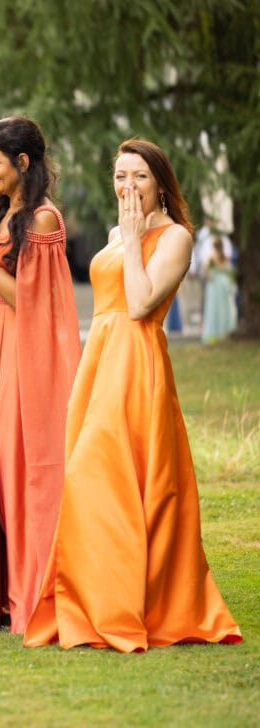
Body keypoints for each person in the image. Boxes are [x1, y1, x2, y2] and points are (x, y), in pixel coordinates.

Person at [24, 139, 242, 652]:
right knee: (88, 478)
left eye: (139, 176)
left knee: (122, 481)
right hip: (99, 360)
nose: (128, 186)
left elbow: (141, 303)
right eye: (121, 176)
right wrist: (123, 238)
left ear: (160, 182)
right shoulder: (116, 233)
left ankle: (128, 604)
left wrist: (133, 239)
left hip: (136, 363)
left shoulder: (176, 238)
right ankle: (94, 596)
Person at [0, 117, 81, 635]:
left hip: (25, 350)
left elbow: (28, 300)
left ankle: (36, 589)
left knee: (21, 463)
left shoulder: (43, 220)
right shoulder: (4, 211)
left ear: (23, 163)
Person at [201, 241, 237, 343]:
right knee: (224, 308)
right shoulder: (225, 257)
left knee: (214, 308)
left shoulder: (211, 257)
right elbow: (229, 270)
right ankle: (225, 331)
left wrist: (210, 275)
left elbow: (206, 271)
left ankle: (214, 333)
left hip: (215, 284)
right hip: (224, 283)